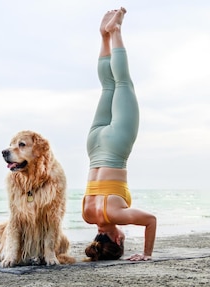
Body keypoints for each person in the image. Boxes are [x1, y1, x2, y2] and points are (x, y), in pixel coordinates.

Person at [82, 7, 157, 262]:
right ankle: (104, 36)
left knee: (123, 82)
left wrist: (147, 253)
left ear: (117, 239)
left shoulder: (117, 216)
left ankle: (115, 31)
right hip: (94, 147)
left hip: (115, 147)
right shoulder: (88, 215)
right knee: (108, 86)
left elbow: (150, 221)